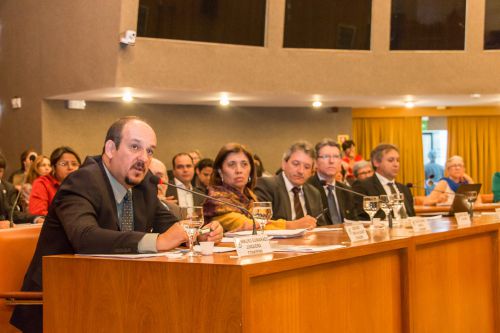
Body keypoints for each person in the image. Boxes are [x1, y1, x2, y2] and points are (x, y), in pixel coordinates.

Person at [10, 116, 223, 333]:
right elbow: (85, 237)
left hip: (114, 295)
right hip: (60, 302)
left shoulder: (144, 184)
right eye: (134, 147)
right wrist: (159, 241)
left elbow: (171, 224)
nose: (143, 158)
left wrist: (200, 233)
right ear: (111, 148)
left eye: (150, 151)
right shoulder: (82, 181)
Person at [204, 143, 317, 232]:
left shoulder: (250, 197)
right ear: (220, 171)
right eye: (231, 165)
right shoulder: (216, 201)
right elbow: (251, 225)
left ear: (251, 169)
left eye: (244, 164)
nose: (239, 170)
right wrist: (292, 225)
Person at [254, 141, 323, 226]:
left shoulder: (314, 193)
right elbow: (260, 223)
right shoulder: (266, 186)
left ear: (312, 171)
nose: (300, 171)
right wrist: (294, 225)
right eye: (296, 164)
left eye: (307, 167)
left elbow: (321, 226)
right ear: (284, 164)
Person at [352, 143, 415, 220]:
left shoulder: (405, 189)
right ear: (376, 163)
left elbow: (412, 216)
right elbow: (361, 218)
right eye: (391, 160)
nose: (396, 164)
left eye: (398, 160)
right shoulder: (363, 187)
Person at [307, 139, 355, 224]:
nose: (331, 161)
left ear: (340, 161)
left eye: (336, 157)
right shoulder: (306, 189)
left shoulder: (347, 191)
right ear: (315, 161)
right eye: (326, 156)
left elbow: (354, 222)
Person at [28, 147, 81, 216]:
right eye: (64, 164)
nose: (70, 167)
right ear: (53, 167)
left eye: (74, 164)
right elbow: (38, 214)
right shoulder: (42, 183)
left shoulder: (83, 183)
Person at [0, 154, 43, 228]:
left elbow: (12, 213)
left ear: (3, 172)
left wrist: (36, 219)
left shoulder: (8, 188)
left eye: (0, 171)